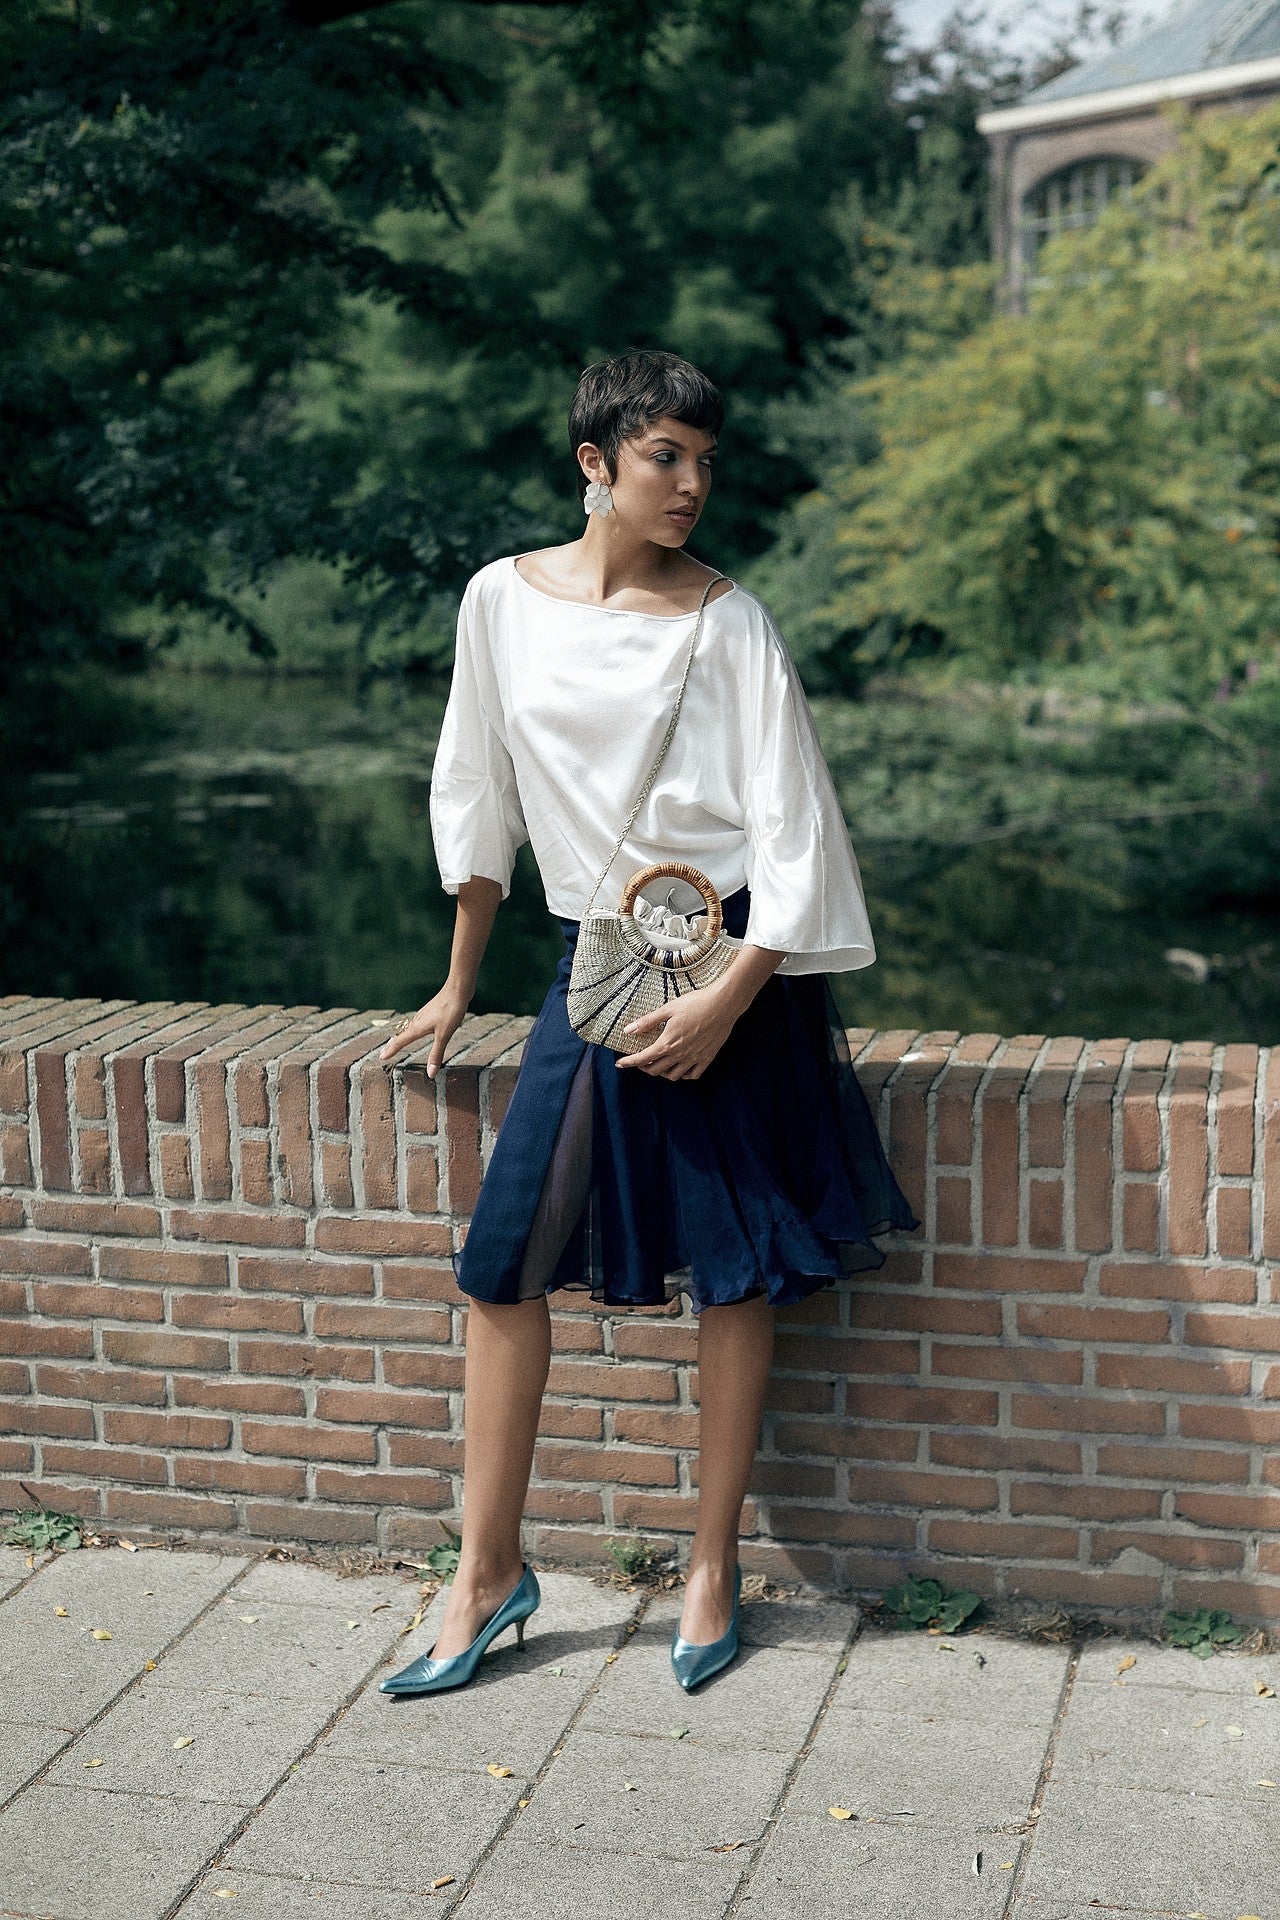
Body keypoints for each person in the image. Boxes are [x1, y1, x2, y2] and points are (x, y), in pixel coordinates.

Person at [376, 349, 918, 1698]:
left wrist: (732, 999)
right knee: (503, 1261)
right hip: (595, 965)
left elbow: (795, 830)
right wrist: (457, 982)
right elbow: (476, 789)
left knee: (733, 1268)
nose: (691, 485)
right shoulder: (499, 601)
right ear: (595, 463)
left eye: (705, 462)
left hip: (729, 959)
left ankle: (711, 1566)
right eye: (665, 456)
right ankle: (486, 1573)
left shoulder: (731, 623)